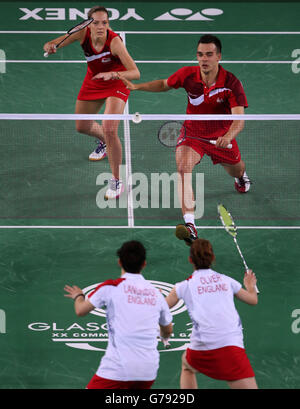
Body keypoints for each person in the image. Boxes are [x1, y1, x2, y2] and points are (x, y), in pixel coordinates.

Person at [120, 34, 250, 245]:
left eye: (209, 54)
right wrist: (137, 87)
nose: (203, 59)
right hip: (193, 135)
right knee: (183, 167)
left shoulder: (231, 83)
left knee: (236, 168)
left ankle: (241, 176)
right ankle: (190, 223)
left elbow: (239, 120)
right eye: (200, 54)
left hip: (221, 137)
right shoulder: (188, 75)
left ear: (219, 57)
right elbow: (164, 83)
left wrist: (227, 137)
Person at [43, 6, 140, 200]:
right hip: (94, 79)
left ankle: (116, 180)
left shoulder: (114, 42)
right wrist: (50, 46)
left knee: (111, 128)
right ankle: (105, 143)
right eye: (96, 22)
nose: (100, 26)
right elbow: (55, 42)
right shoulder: (81, 33)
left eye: (104, 22)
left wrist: (112, 74)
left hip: (117, 81)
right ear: (88, 23)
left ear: (108, 24)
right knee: (82, 125)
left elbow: (135, 73)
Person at [64, 240, 173, 389]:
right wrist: (164, 337)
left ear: (119, 262)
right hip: (148, 371)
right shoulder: (156, 294)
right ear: (144, 264)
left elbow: (80, 310)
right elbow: (167, 330)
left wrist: (78, 296)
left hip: (118, 369)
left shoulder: (110, 287)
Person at [165, 238, 258, 389]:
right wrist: (250, 286)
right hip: (231, 348)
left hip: (201, 349)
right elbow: (253, 300)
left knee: (187, 366)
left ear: (190, 260)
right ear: (212, 258)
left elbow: (160, 308)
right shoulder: (227, 281)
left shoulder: (183, 286)